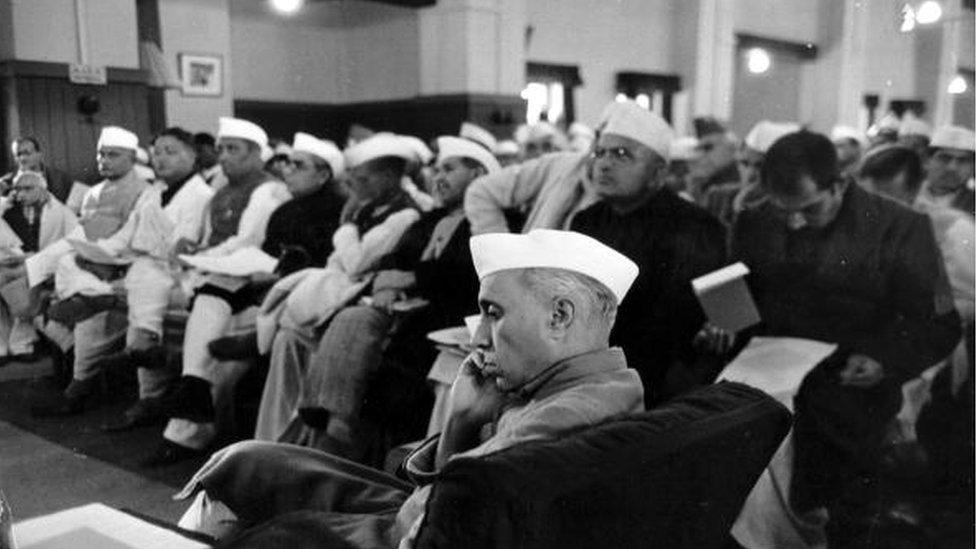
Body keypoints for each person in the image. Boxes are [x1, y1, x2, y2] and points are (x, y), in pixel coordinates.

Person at [174, 229, 643, 548]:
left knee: (249, 505)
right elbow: (450, 496)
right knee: (249, 461)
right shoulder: (602, 388)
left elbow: (433, 520)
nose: (478, 337)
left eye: (493, 313)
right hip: (418, 516)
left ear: (559, 316)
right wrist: (461, 419)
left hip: (405, 532)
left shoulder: (556, 417)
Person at [728, 131, 959, 545]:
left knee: (835, 504)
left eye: (808, 210)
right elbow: (730, 290)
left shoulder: (901, 227)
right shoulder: (755, 217)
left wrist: (884, 359)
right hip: (762, 381)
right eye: (783, 212)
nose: (794, 221)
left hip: (849, 390)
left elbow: (941, 322)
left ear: (839, 184)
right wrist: (722, 318)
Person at [257, 135, 497, 459]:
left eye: (449, 169)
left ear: (478, 175)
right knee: (353, 317)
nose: (438, 177)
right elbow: (394, 258)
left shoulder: (486, 221)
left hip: (443, 311)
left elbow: (467, 270)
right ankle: (330, 424)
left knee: (354, 320)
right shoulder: (431, 219)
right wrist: (387, 282)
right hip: (401, 306)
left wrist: (413, 278)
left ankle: (333, 437)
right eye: (437, 169)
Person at [140, 117, 291, 464]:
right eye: (221, 149)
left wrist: (202, 258)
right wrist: (196, 253)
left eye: (233, 149)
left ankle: (187, 421)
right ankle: (192, 421)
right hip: (215, 278)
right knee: (212, 328)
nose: (223, 156)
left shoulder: (266, 190)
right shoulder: (221, 189)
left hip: (249, 281)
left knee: (213, 321)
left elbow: (246, 243)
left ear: (256, 154)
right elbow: (211, 238)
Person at [569, 101, 727, 405]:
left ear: (658, 173)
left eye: (622, 154)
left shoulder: (697, 226)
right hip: (591, 374)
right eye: (600, 152)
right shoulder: (587, 221)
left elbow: (717, 317)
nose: (603, 164)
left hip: (666, 383)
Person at [89, 127, 216, 431]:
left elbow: (181, 246)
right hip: (148, 268)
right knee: (127, 277)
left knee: (144, 281)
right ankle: (148, 384)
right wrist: (95, 250)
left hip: (181, 273)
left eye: (170, 152)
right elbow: (127, 235)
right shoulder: (152, 191)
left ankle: (147, 380)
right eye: (157, 152)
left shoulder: (202, 195)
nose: (161, 158)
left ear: (193, 156)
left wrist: (148, 251)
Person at [31, 126, 162, 416]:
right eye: (101, 154)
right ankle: (81, 365)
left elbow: (139, 241)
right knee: (37, 297)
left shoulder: (146, 192)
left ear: (131, 158)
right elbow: (82, 232)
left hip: (124, 269)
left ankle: (79, 387)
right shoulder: (92, 192)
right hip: (88, 265)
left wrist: (103, 261)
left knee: (88, 318)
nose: (104, 160)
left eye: (112, 154)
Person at [0, 171, 77, 360]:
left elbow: (73, 244)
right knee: (7, 279)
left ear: (43, 189)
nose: (21, 194)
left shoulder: (60, 212)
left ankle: (66, 343)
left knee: (16, 287)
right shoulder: (11, 208)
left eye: (28, 188)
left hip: (51, 269)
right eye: (18, 189)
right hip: (24, 266)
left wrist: (31, 259)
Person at [702, 120, 800, 227]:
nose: (750, 174)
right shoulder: (719, 199)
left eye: (760, 166)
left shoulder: (797, 211)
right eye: (744, 164)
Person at [915, 125, 975, 217]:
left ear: (972, 168)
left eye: (962, 161)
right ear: (927, 160)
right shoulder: (907, 193)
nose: (952, 167)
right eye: (945, 158)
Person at [1, 137, 75, 205]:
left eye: (27, 153)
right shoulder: (5, 183)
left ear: (39, 155)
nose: (22, 158)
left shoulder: (60, 178)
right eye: (18, 154)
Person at [688, 116, 739, 204]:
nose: (701, 156)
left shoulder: (742, 180)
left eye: (708, 148)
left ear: (731, 147)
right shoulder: (702, 183)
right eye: (699, 150)